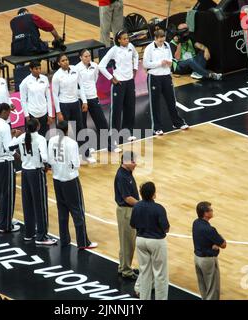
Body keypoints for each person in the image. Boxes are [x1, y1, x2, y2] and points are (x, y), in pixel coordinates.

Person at [48, 120, 98, 250]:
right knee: (77, 211)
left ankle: (64, 240)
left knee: (62, 211)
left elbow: (49, 160)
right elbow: (76, 164)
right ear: (66, 130)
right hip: (70, 180)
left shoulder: (51, 141)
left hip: (57, 179)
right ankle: (83, 242)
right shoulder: (72, 143)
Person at [9, 118, 57, 245]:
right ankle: (42, 236)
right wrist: (46, 165)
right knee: (40, 205)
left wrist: (19, 155)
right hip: (36, 173)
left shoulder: (22, 136)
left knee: (28, 203)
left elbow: (9, 147)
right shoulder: (40, 139)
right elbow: (45, 157)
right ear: (37, 126)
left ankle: (29, 234)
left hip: (25, 172)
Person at [143, 29, 189, 135]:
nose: (162, 43)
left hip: (166, 76)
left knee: (171, 101)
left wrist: (169, 62)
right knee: (155, 103)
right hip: (154, 77)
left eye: (163, 40)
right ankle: (157, 128)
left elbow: (170, 58)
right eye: (160, 41)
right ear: (155, 39)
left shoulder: (167, 45)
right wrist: (160, 63)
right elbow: (145, 64)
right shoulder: (149, 49)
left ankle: (177, 123)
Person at [51, 54, 96, 163]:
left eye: (66, 60)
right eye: (62, 60)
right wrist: (58, 112)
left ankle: (86, 154)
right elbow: (55, 95)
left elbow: (80, 86)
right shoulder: (57, 76)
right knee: (64, 131)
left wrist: (84, 101)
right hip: (64, 105)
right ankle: (63, 156)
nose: (65, 62)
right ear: (59, 63)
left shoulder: (75, 70)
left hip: (75, 103)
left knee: (80, 128)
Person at [75, 49, 120, 153]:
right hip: (82, 100)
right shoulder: (76, 69)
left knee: (102, 122)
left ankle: (109, 145)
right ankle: (85, 149)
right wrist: (84, 99)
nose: (88, 58)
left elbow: (95, 79)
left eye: (89, 56)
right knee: (82, 124)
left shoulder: (95, 66)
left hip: (93, 97)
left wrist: (92, 92)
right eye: (85, 56)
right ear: (80, 58)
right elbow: (78, 86)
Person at [130, 182, 170, 300]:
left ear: (141, 194)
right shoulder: (159, 208)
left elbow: (132, 225)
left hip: (141, 240)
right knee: (160, 274)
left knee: (144, 272)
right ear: (154, 194)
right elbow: (166, 228)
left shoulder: (136, 206)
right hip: (156, 242)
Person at [98, 30, 139, 145]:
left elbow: (136, 56)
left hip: (130, 82)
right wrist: (111, 78)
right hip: (119, 83)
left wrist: (135, 68)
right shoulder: (114, 50)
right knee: (116, 110)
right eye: (124, 39)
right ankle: (113, 137)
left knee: (130, 108)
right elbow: (101, 66)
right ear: (119, 40)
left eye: (127, 38)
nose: (127, 40)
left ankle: (128, 133)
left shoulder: (131, 46)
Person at [0, 103, 22, 233]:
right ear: (3, 111)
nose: (9, 115)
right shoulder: (4, 126)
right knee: (8, 193)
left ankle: (3, 219)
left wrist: (10, 134)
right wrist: (16, 137)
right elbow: (9, 148)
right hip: (5, 161)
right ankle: (6, 225)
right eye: (8, 112)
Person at [192, 201, 227, 300]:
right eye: (211, 210)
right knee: (212, 290)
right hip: (207, 261)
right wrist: (218, 241)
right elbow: (223, 244)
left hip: (197, 259)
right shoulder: (210, 230)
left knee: (203, 287)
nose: (212, 211)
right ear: (206, 213)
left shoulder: (195, 223)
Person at [114, 151, 139, 280]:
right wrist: (142, 205)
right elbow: (128, 198)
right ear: (125, 162)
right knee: (127, 242)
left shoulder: (127, 173)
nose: (136, 164)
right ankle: (126, 271)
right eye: (133, 161)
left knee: (127, 242)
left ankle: (124, 266)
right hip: (126, 211)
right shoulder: (122, 176)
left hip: (128, 211)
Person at [20, 60, 58, 138]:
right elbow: (23, 100)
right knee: (30, 138)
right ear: (31, 69)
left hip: (44, 113)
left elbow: (48, 98)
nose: (38, 71)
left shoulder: (45, 79)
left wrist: (50, 114)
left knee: (45, 137)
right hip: (32, 114)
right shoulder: (25, 82)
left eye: (39, 68)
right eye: (36, 69)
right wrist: (27, 116)